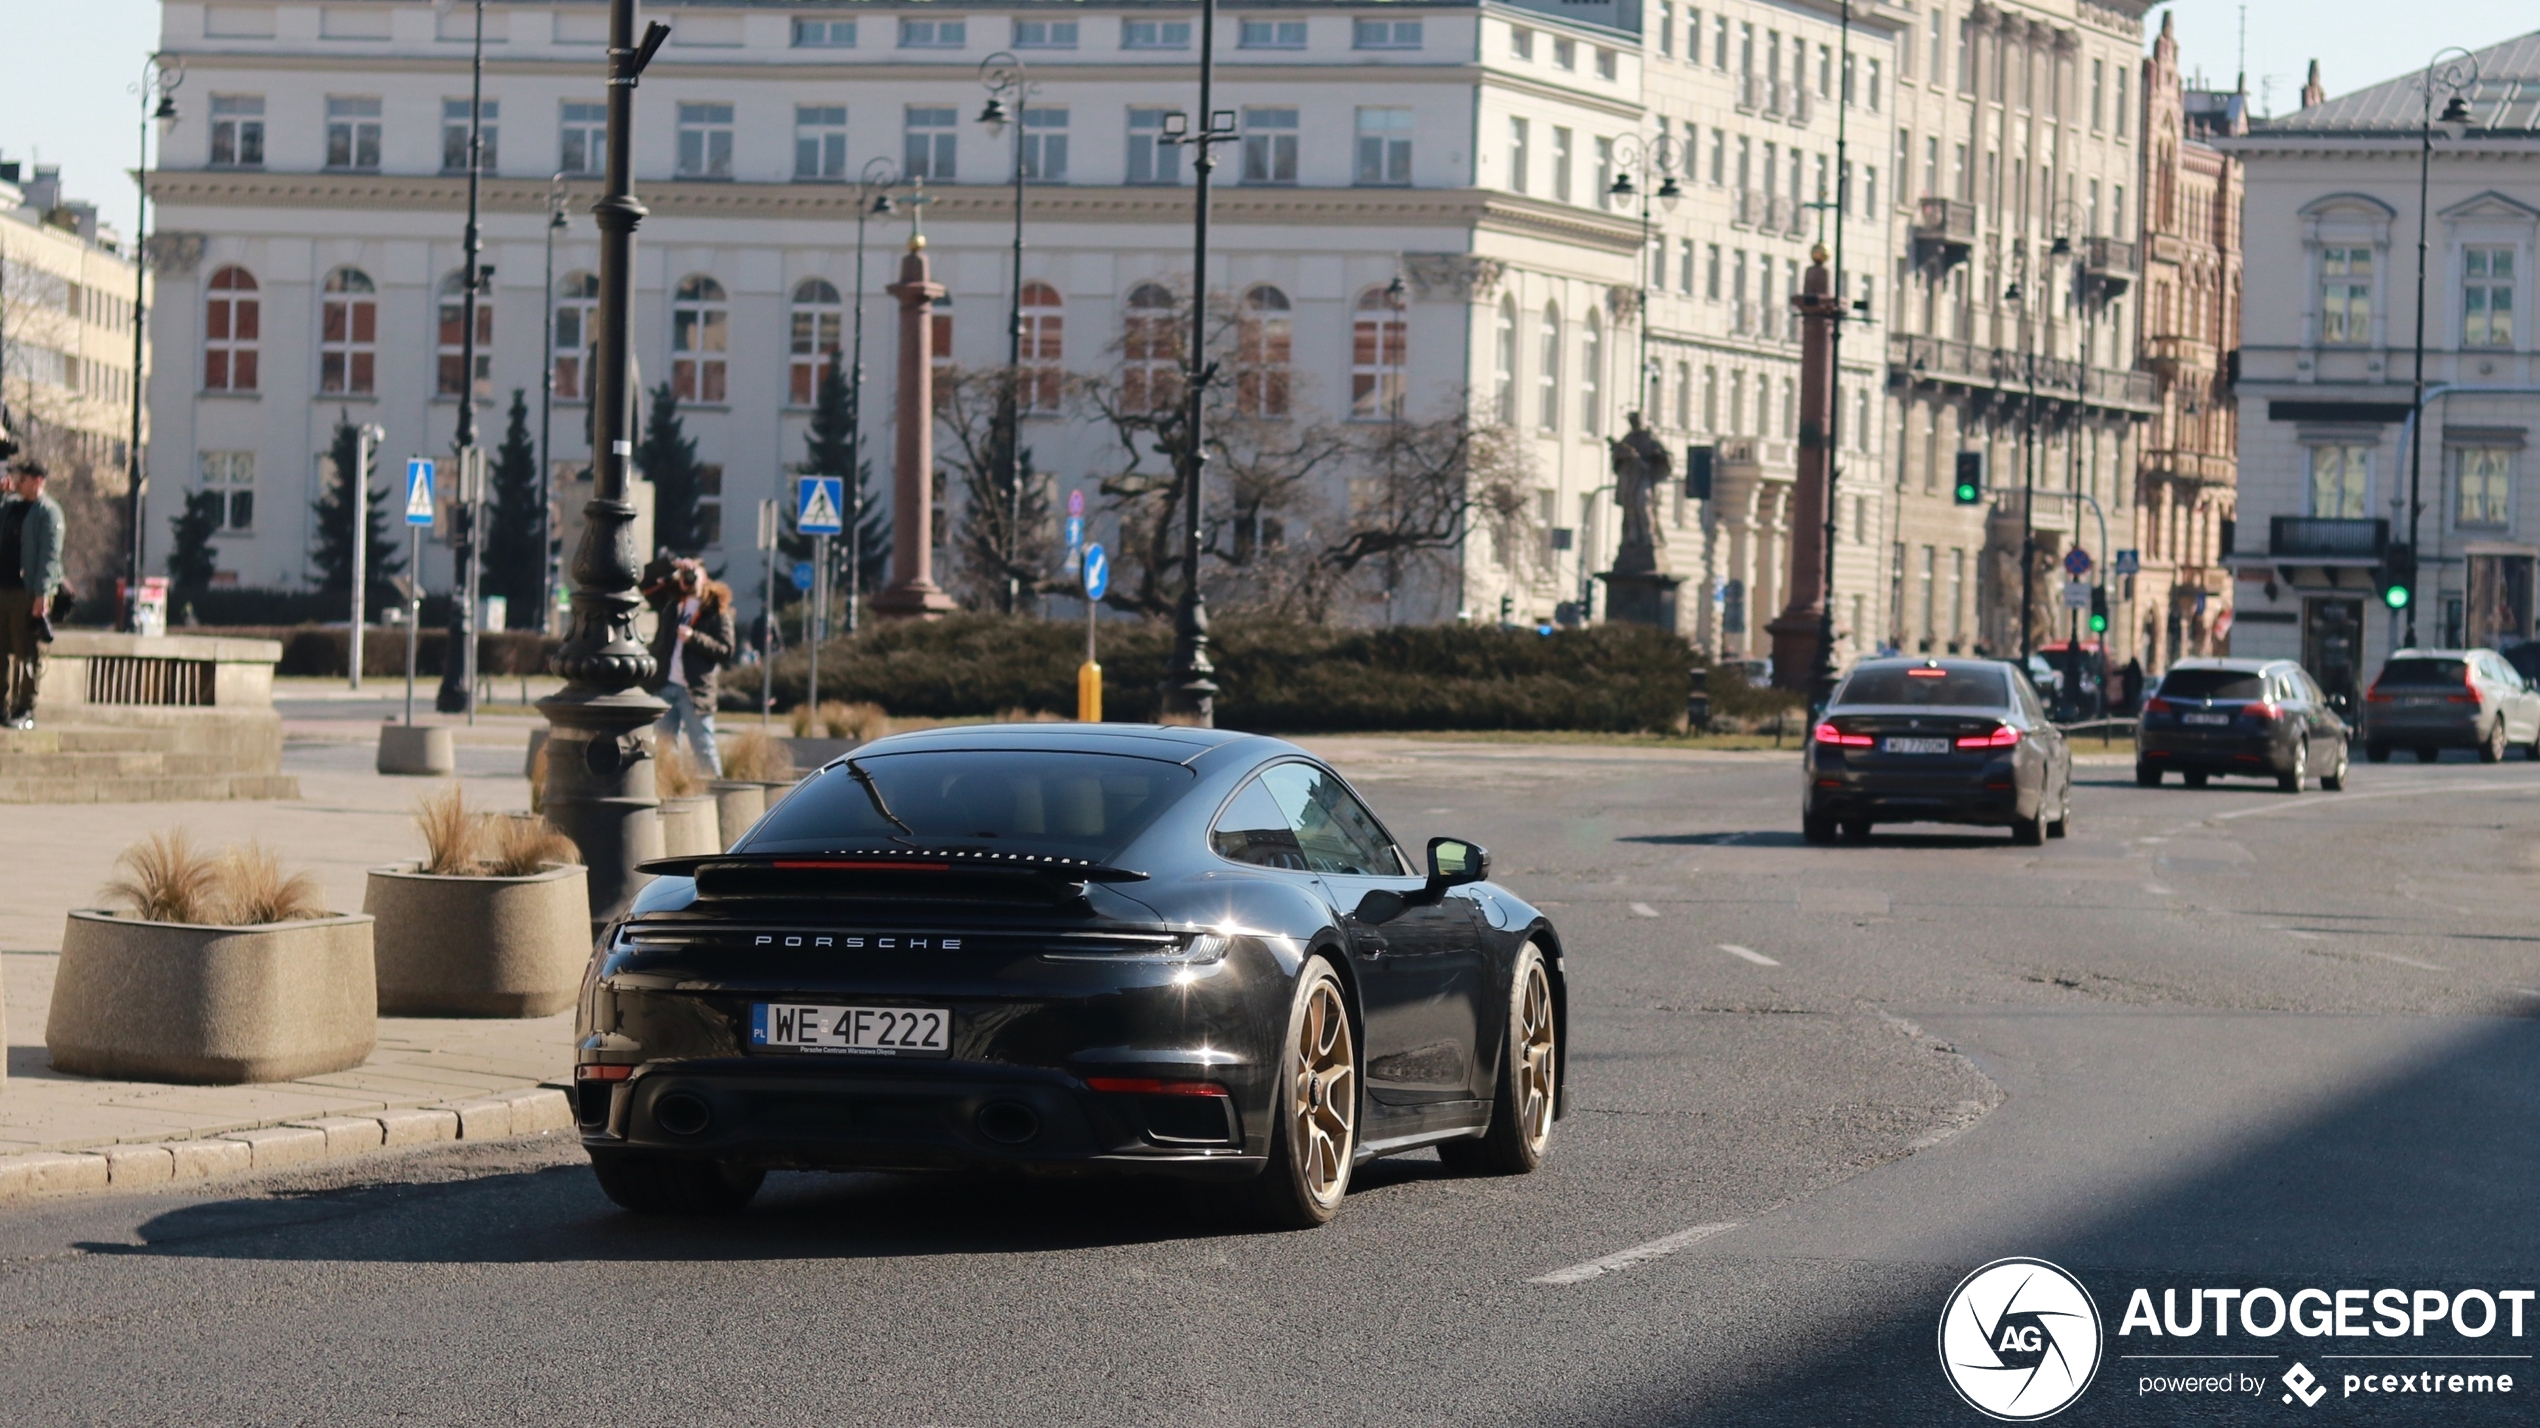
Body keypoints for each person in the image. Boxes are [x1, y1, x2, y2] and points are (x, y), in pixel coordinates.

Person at [644, 558, 733, 775]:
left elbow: (726, 650)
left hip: (694, 690)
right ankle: (671, 790)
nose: (689, 580)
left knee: (703, 747)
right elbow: (645, 586)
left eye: (694, 575)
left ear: (705, 580)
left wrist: (694, 638)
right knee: (664, 748)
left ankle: (715, 794)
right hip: (666, 687)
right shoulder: (672, 606)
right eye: (686, 576)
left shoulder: (716, 610)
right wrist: (670, 566)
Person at [0, 460, 65, 730]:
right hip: (3, 587)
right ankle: (2, 707)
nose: (17, 482)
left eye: (22, 478)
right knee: (1, 650)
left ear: (37, 480)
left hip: (27, 593)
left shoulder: (48, 512)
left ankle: (24, 708)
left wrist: (43, 593)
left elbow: (50, 556)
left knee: (27, 653)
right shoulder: (10, 506)